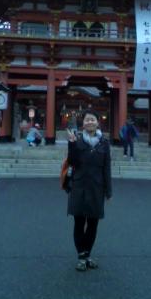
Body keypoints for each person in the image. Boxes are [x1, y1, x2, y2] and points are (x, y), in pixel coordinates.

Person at [66, 110, 112, 272]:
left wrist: (108, 191)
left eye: (93, 119)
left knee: (93, 224)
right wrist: (71, 144)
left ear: (98, 123)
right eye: (87, 120)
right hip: (79, 187)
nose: (90, 122)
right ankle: (81, 256)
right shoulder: (77, 141)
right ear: (83, 124)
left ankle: (87, 255)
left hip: (96, 187)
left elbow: (107, 167)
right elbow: (72, 162)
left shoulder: (104, 143)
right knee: (79, 223)